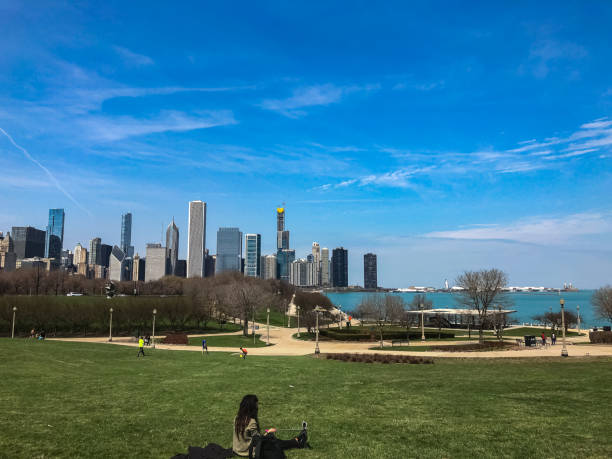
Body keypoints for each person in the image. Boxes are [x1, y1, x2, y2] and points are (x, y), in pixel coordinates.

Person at [232, 394, 307, 457]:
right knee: (274, 442)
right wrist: (269, 432)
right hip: (247, 451)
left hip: (237, 449)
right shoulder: (251, 422)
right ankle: (297, 441)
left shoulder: (237, 418)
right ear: (252, 408)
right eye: (256, 405)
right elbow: (258, 441)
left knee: (274, 441)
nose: (257, 407)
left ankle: (296, 440)